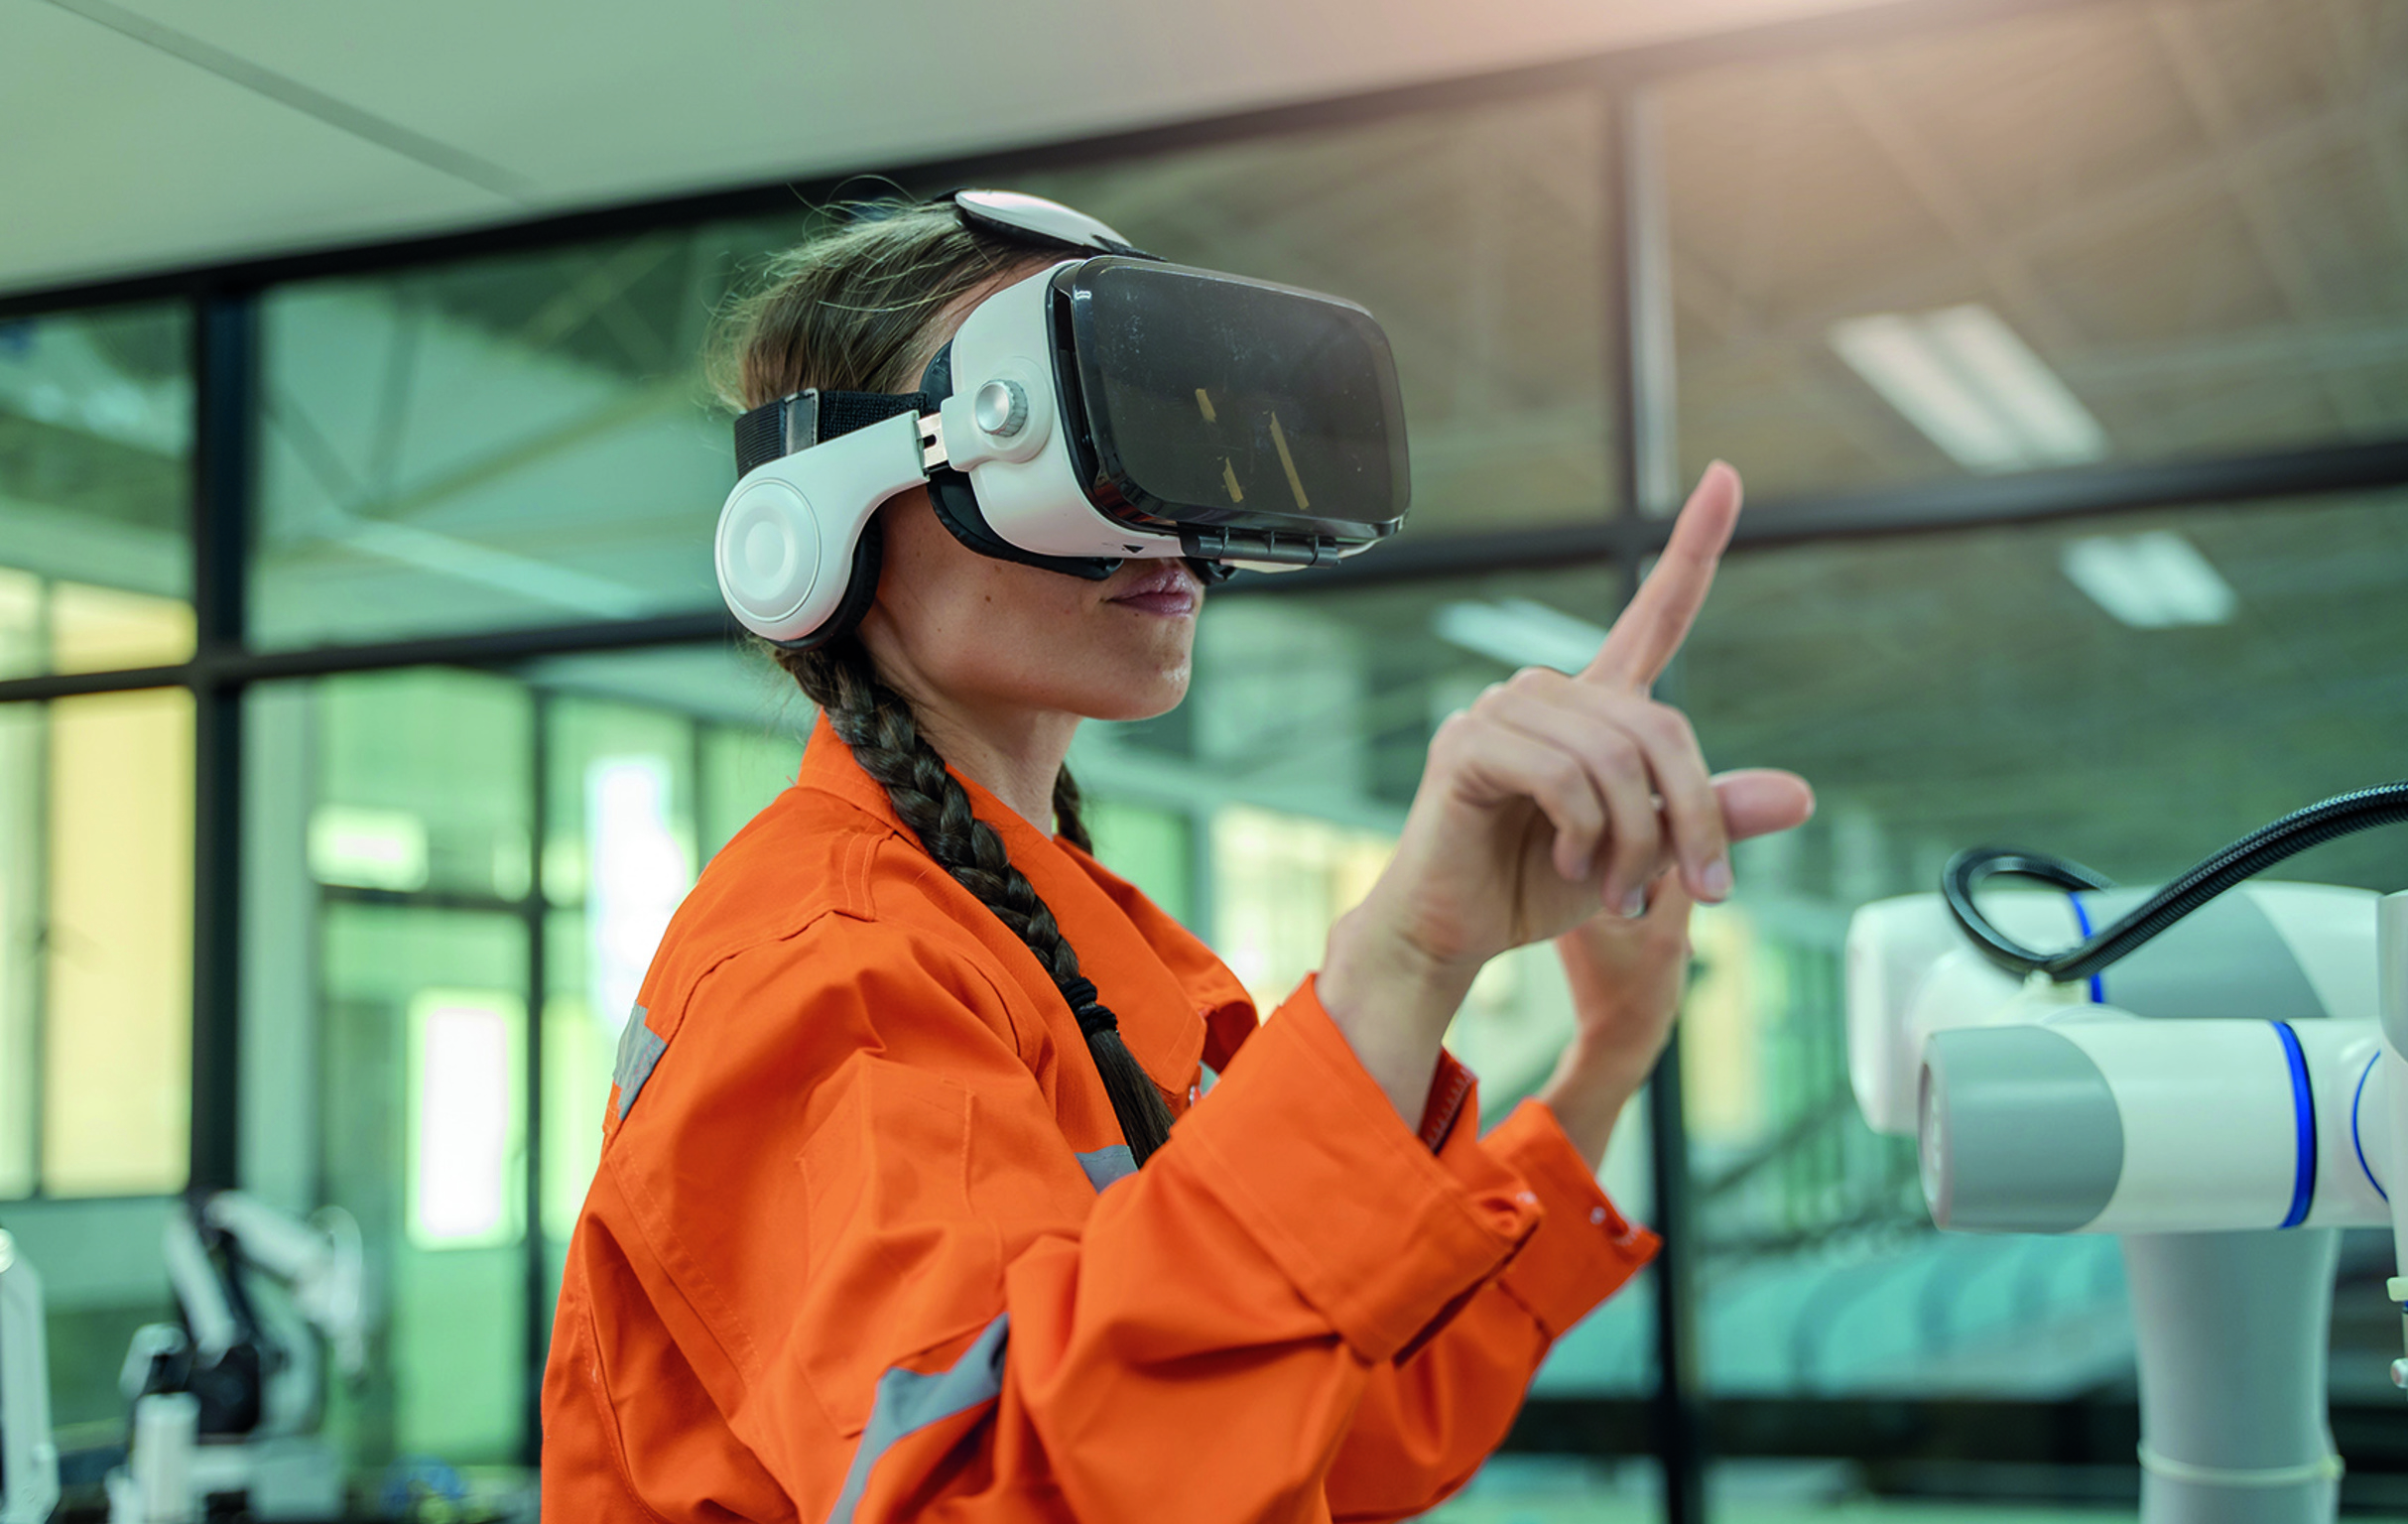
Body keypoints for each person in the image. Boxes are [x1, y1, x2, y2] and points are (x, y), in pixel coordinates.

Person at [541, 195, 1814, 1522]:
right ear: (822, 511)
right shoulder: (829, 969)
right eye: (1075, 445)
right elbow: (1004, 1494)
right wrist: (1400, 962)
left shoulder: (1083, 937)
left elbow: (1339, 1419)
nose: (1170, 526)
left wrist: (1608, 1053)